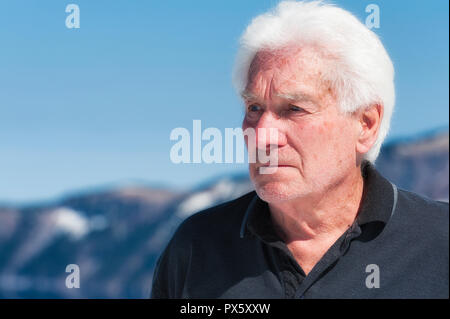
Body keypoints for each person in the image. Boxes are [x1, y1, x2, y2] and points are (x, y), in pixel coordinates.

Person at [151, 1, 448, 298]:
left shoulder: (439, 243)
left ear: (366, 124)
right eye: (254, 107)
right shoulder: (196, 247)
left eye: (294, 108)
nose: (263, 135)